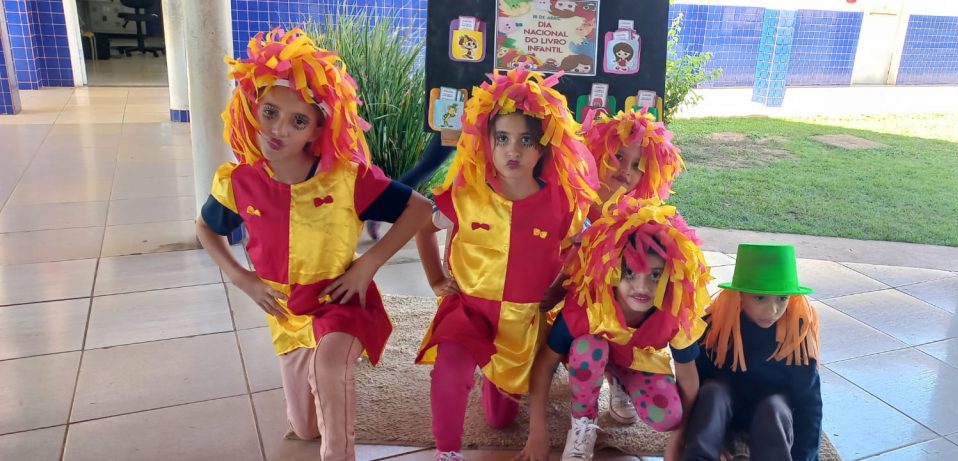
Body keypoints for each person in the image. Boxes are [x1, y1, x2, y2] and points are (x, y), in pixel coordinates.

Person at [195, 28, 431, 461]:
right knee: (302, 428)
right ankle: (327, 388)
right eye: (270, 112)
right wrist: (243, 278)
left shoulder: (346, 178)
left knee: (330, 366)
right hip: (285, 311)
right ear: (252, 108)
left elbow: (419, 209)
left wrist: (368, 265)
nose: (279, 129)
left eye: (298, 120)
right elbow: (205, 228)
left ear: (319, 127)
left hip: (340, 297)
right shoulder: (239, 181)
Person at [414, 68, 599, 461]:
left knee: (500, 418)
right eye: (502, 139)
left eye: (525, 140)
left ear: (544, 147)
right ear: (488, 142)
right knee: (450, 369)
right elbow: (423, 229)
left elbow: (584, 246)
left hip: (521, 322)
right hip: (468, 310)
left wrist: (561, 286)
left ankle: (495, 383)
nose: (512, 150)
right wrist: (435, 279)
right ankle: (447, 453)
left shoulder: (563, 203)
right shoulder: (466, 195)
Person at [518, 195, 711, 461]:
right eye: (630, 273)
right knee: (589, 348)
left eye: (655, 275)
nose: (642, 288)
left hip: (636, 361)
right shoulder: (588, 305)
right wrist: (537, 430)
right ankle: (583, 422)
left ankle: (619, 381)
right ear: (611, 269)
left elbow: (689, 378)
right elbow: (545, 364)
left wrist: (678, 440)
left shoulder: (675, 312)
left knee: (668, 416)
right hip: (591, 354)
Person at [683, 243, 822, 461]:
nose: (772, 310)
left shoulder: (797, 335)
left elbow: (809, 404)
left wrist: (805, 457)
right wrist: (686, 437)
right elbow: (694, 384)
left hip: (772, 421)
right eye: (759, 298)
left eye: (782, 298)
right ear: (739, 294)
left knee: (773, 408)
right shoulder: (715, 326)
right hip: (726, 417)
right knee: (712, 392)